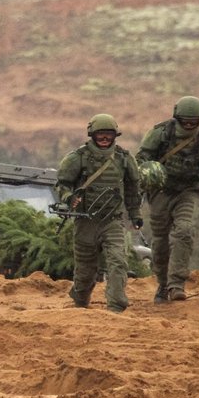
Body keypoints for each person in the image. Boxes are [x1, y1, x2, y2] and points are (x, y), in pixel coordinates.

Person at [136, 95, 199, 303]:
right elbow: (142, 158)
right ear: (177, 117)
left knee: (184, 231)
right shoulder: (160, 133)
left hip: (188, 191)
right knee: (160, 241)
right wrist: (147, 175)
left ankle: (176, 284)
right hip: (160, 191)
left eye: (193, 122)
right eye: (185, 121)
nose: (188, 125)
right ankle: (162, 283)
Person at [54, 114, 144, 313]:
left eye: (108, 135)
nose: (104, 139)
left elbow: (132, 189)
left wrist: (135, 214)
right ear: (92, 135)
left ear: (115, 136)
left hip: (112, 221)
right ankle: (79, 301)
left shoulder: (124, 159)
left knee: (118, 261)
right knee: (86, 269)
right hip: (86, 221)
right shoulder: (78, 158)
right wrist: (69, 198)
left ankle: (116, 306)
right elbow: (62, 184)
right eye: (100, 135)